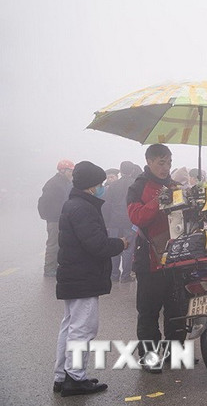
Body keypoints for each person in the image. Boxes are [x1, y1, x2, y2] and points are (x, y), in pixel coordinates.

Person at [53, 161, 127, 396]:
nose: (102, 187)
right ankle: (75, 378)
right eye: (100, 184)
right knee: (83, 328)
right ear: (91, 186)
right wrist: (120, 244)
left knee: (70, 326)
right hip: (83, 277)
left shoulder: (74, 204)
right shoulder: (83, 208)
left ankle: (62, 375)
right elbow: (97, 245)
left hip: (75, 275)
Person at [127, 143, 184, 371]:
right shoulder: (138, 186)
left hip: (177, 257)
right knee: (149, 312)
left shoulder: (174, 185)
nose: (166, 167)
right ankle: (150, 358)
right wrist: (159, 201)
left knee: (177, 310)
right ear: (149, 161)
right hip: (149, 259)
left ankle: (175, 354)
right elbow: (136, 217)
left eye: (169, 162)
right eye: (161, 162)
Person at [103, 161, 139, 282]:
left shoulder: (113, 186)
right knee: (128, 250)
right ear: (132, 171)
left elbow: (106, 205)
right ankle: (126, 276)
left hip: (114, 222)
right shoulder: (135, 185)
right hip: (130, 222)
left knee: (114, 249)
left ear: (121, 171)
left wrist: (107, 222)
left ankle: (114, 275)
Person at [39, 159, 75, 277]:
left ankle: (57, 266)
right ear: (62, 170)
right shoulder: (54, 184)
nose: (71, 173)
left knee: (60, 244)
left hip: (61, 218)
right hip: (55, 219)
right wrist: (53, 216)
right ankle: (49, 269)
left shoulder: (65, 183)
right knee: (53, 244)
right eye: (70, 171)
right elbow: (47, 203)